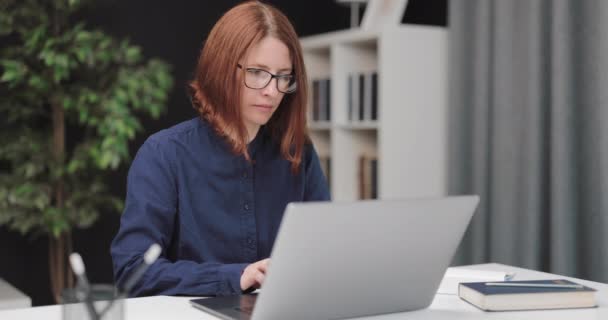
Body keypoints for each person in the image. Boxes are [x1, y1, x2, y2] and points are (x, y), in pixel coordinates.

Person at [110, 1, 330, 297]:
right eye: (257, 72)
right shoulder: (164, 154)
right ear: (222, 68)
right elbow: (132, 271)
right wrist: (236, 276)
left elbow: (324, 254)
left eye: (283, 76)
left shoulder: (298, 153)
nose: (271, 90)